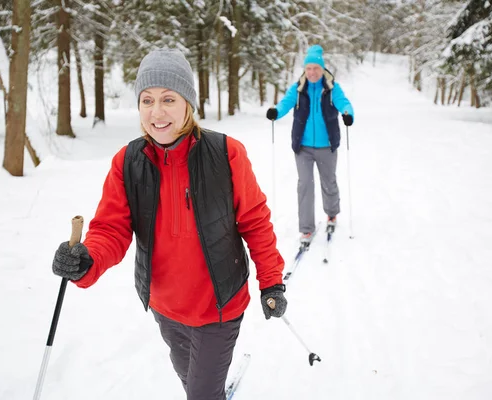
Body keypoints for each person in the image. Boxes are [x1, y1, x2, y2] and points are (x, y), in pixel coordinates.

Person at [51, 48, 288, 400]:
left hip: (218, 306)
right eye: (147, 100)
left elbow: (255, 221)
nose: (157, 112)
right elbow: (110, 229)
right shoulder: (128, 161)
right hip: (165, 307)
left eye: (168, 99)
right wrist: (86, 260)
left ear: (187, 104)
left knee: (200, 394)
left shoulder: (226, 153)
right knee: (190, 379)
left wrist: (271, 282)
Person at [266, 44, 354, 244]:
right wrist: (275, 112)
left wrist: (348, 115)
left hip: (327, 146)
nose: (312, 72)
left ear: (322, 69)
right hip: (303, 147)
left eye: (315, 68)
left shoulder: (331, 88)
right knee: (304, 184)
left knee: (328, 181)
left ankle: (332, 213)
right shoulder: (298, 89)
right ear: (305, 70)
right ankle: (306, 228)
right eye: (308, 68)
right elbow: (285, 104)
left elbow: (344, 103)